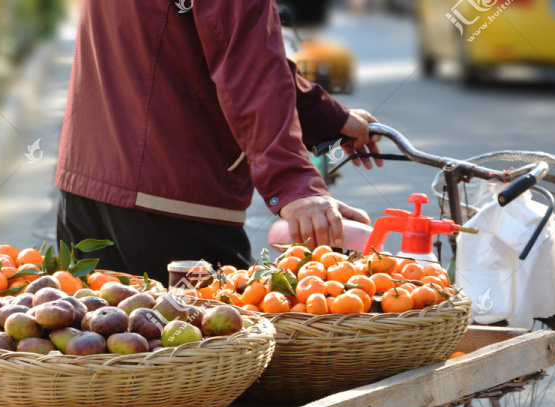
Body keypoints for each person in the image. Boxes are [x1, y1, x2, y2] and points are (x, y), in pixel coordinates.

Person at [55, 0, 382, 282]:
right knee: (214, 346)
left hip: (88, 182)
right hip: (172, 196)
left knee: (103, 341)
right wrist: (295, 184)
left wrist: (327, 117)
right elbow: (247, 59)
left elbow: (218, 37)